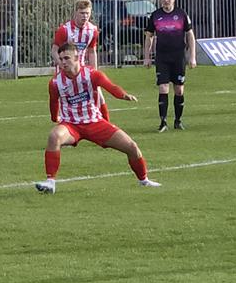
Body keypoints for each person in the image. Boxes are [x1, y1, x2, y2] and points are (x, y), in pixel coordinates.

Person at [35, 43, 161, 194]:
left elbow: (110, 86)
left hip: (95, 123)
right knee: (54, 136)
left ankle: (144, 180)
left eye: (66, 58)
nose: (62, 62)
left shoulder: (91, 74)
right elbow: (53, 101)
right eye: (60, 59)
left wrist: (123, 95)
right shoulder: (55, 82)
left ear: (77, 58)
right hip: (71, 125)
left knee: (132, 147)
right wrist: (54, 117)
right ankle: (50, 182)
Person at [143, 0, 196, 132]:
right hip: (162, 57)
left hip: (178, 57)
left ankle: (178, 121)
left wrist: (192, 56)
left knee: (179, 90)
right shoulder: (155, 15)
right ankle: (163, 122)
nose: (165, 0)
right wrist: (147, 57)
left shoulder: (181, 14)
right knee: (163, 88)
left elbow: (190, 35)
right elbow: (149, 36)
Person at [51, 0, 107, 120]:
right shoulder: (64, 30)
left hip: (82, 70)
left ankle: (106, 125)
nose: (85, 16)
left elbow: (92, 52)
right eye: (82, 13)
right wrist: (62, 65)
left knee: (99, 94)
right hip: (64, 71)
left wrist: (95, 72)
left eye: (87, 13)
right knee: (65, 97)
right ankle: (64, 121)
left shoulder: (92, 30)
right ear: (75, 12)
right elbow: (54, 51)